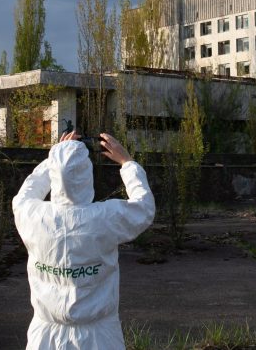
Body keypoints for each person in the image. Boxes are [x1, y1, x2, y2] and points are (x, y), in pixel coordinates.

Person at [13, 131, 156, 350]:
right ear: (86, 175)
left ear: (54, 175)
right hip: (98, 338)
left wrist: (57, 157)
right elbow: (144, 207)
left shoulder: (32, 215)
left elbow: (28, 190)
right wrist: (127, 163)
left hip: (44, 337)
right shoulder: (105, 218)